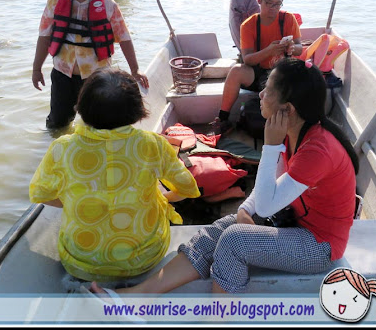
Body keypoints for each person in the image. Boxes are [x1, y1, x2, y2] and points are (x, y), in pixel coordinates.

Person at [91, 58, 359, 295]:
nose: (261, 94)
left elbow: (267, 205)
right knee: (220, 229)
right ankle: (140, 294)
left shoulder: (316, 149)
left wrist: (270, 146)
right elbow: (273, 187)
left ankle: (219, 318)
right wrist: (245, 209)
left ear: (287, 109)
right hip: (295, 224)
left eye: (268, 91)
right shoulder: (295, 131)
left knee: (234, 241)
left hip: (319, 247)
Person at [30, 67, 200, 283]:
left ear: (81, 107)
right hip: (144, 259)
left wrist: (79, 202)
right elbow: (187, 189)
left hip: (80, 263)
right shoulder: (151, 144)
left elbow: (40, 194)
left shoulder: (63, 148)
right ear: (138, 110)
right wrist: (162, 198)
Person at [32, 0, 149, 130]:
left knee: (101, 124)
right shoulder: (54, 3)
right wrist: (36, 68)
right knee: (58, 123)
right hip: (64, 74)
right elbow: (44, 37)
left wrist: (135, 70)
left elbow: (124, 38)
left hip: (98, 77)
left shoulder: (108, 4)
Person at [209, 0, 301, 135]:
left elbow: (299, 48)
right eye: (269, 3)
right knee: (236, 71)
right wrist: (269, 51)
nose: (273, 8)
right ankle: (223, 119)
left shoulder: (288, 19)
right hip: (258, 73)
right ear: (259, 0)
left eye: (278, 4)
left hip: (282, 73)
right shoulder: (248, 25)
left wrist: (292, 47)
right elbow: (248, 59)